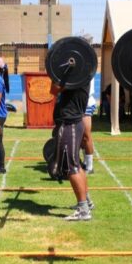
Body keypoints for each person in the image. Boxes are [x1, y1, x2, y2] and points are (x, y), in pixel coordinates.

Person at [49, 80, 94, 221]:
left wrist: (56, 75)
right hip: (74, 122)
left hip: (70, 123)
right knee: (76, 164)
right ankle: (86, 202)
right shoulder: (80, 75)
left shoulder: (75, 77)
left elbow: (53, 89)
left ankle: (83, 210)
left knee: (71, 167)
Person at [81, 79, 97, 174]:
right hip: (76, 103)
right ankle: (85, 162)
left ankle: (90, 167)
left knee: (86, 135)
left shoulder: (88, 69)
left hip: (86, 103)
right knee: (80, 136)